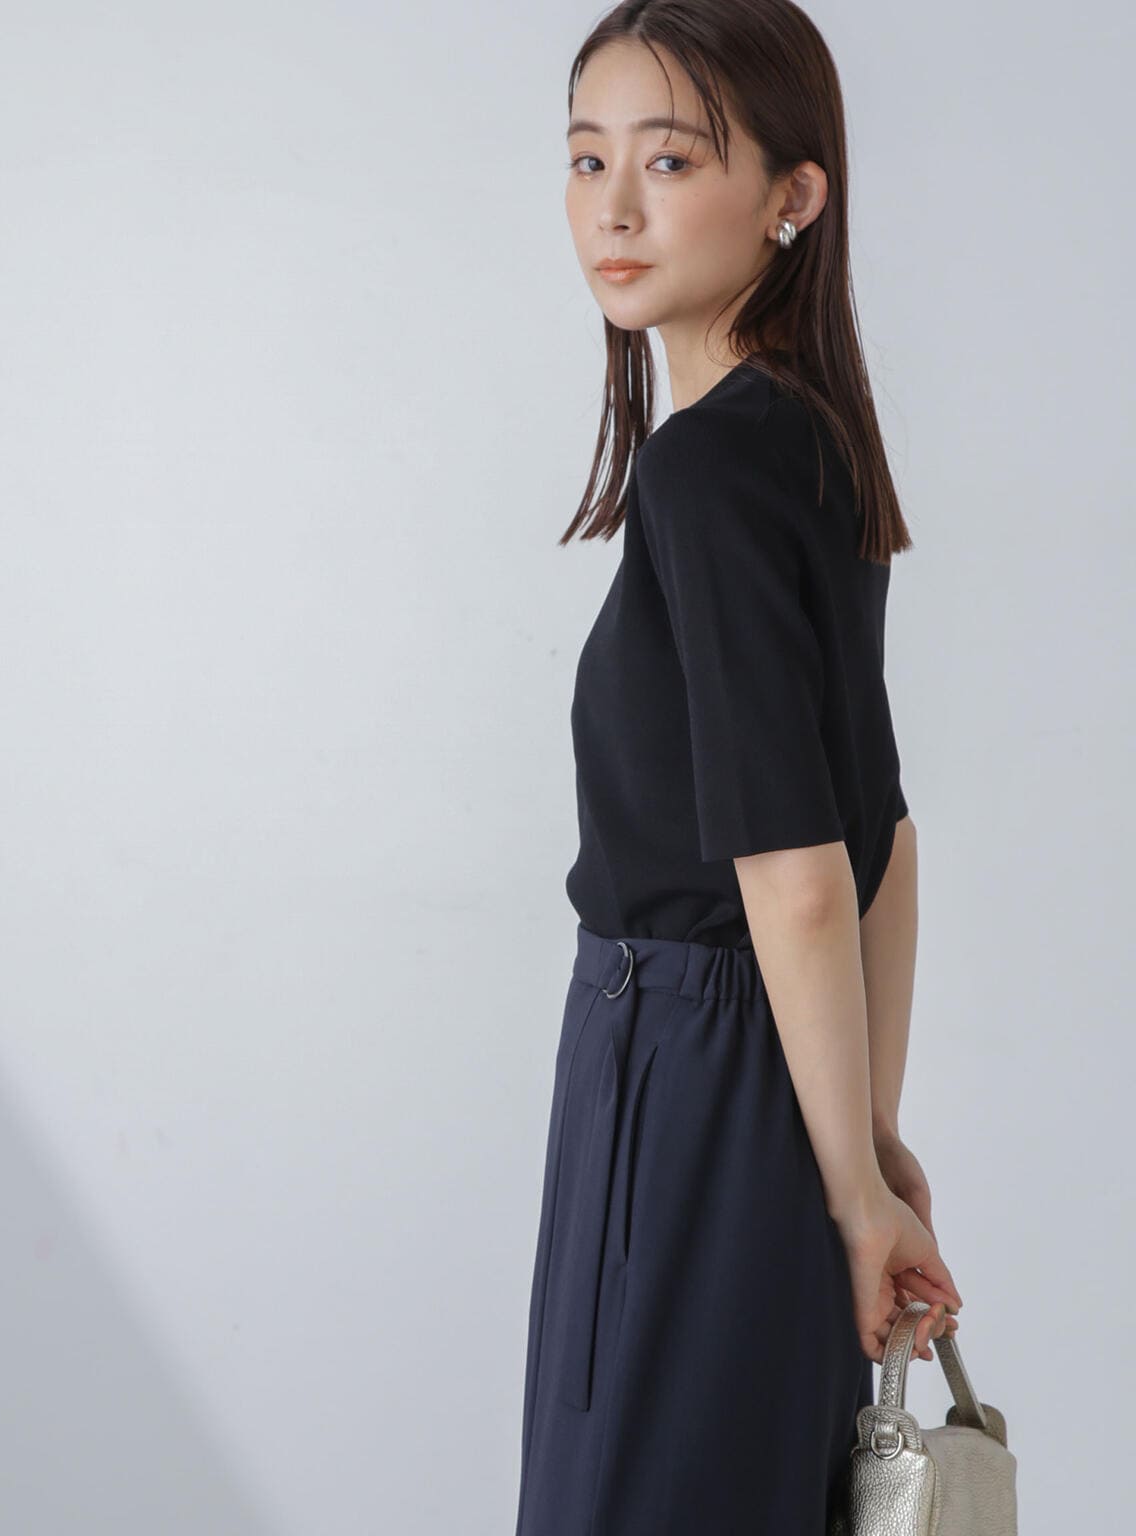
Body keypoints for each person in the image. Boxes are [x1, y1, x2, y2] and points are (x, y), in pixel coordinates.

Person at [513, 3, 963, 1533]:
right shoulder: (814, 442)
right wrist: (867, 1141)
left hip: (684, 1062)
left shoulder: (706, 465)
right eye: (587, 160)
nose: (613, 210)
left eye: (669, 160)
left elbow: (801, 866)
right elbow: (884, 837)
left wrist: (857, 1185)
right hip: (790, 1070)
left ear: (794, 194)